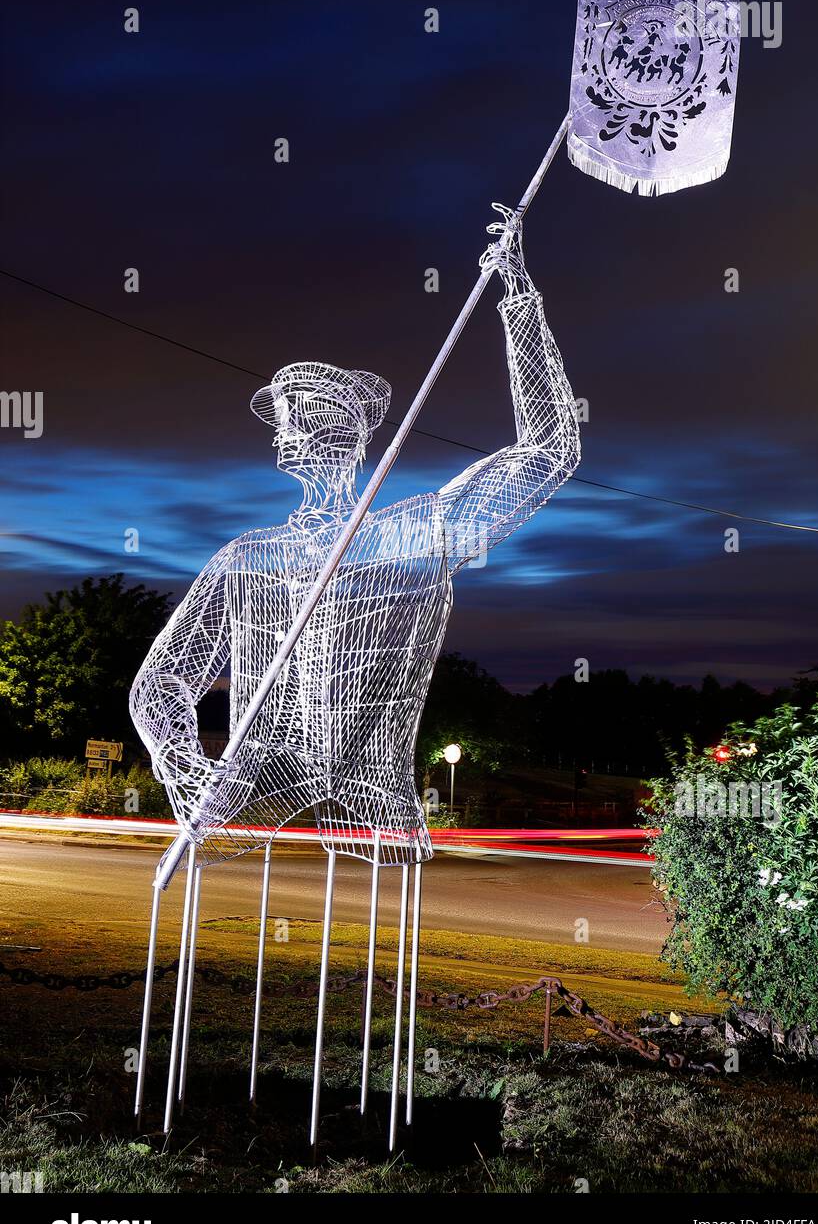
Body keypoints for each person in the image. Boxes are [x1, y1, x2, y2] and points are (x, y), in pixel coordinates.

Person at [130, 208, 581, 868]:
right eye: (284, 416)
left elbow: (549, 451)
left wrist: (519, 296)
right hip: (251, 789)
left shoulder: (413, 534)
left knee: (376, 933)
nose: (288, 428)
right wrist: (185, 769)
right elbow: (161, 681)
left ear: (349, 430)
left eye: (303, 412)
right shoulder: (250, 556)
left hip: (378, 798)